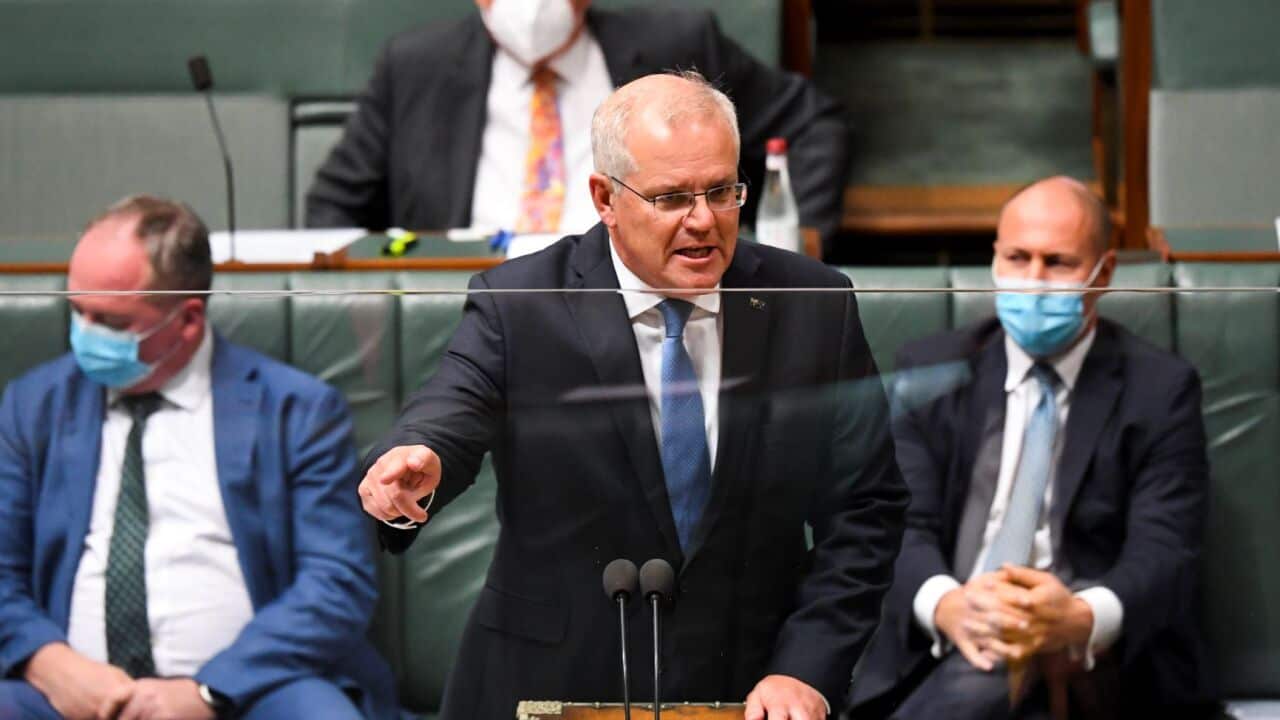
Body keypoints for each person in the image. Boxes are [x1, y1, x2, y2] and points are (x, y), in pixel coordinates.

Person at [357, 72, 906, 720]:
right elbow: (455, 403)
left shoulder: (812, 304)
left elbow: (866, 511)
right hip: (551, 685)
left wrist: (807, 670)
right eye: (672, 197)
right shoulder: (523, 303)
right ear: (604, 197)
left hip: (753, 691)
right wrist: (418, 459)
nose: (703, 221)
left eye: (722, 191)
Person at [0, 196, 397, 720]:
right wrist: (48, 663)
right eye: (77, 311)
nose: (85, 336)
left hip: (255, 691)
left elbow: (336, 581)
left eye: (111, 322)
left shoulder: (295, 410)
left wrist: (209, 691)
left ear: (187, 319)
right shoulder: (32, 406)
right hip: (66, 695)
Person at [849, 177, 1215, 719]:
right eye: (1017, 258)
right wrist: (949, 604)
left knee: (1005, 664)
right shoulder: (931, 371)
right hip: (951, 638)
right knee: (991, 665)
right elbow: (898, 524)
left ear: (1103, 273)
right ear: (994, 258)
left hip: (1093, 662)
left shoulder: (1160, 390)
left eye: (1058, 262)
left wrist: (1079, 617)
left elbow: (1166, 551)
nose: (1034, 282)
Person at [305, 0, 849, 251]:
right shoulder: (414, 67)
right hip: (464, 310)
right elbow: (333, 207)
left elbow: (812, 127)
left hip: (636, 302)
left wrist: (792, 250)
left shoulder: (679, 43)